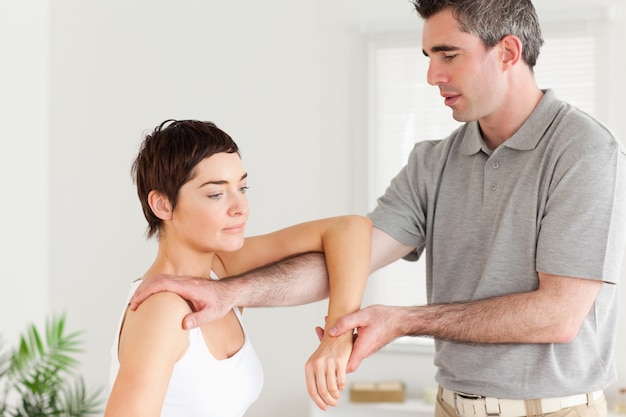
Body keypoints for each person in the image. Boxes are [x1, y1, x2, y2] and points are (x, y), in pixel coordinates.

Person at [130, 0, 626, 415]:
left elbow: (558, 316)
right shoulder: (435, 161)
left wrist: (403, 319)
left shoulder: (583, 151)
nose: (433, 74)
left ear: (508, 52)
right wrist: (229, 292)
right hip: (451, 406)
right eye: (429, 56)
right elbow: (351, 254)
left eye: (448, 55)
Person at [104, 119, 372, 417]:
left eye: (242, 187)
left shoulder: (221, 272)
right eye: (216, 194)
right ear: (163, 205)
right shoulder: (163, 309)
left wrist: (337, 338)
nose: (240, 206)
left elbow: (351, 229)